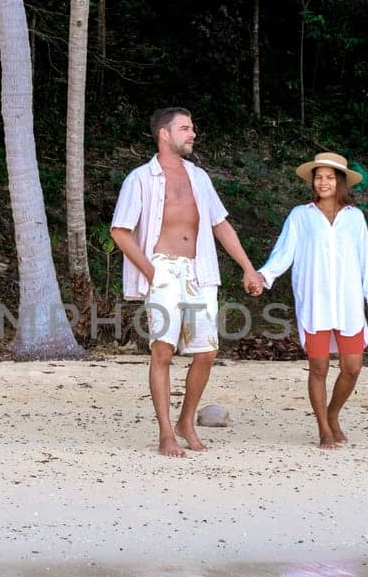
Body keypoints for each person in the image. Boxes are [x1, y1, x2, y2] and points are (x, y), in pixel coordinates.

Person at [111, 107, 264, 457]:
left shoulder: (199, 177)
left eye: (193, 128)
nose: (192, 134)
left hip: (198, 271)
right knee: (162, 350)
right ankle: (166, 432)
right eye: (185, 128)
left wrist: (248, 268)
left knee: (207, 351)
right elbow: (119, 231)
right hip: (162, 269)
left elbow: (221, 224)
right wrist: (151, 273)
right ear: (165, 134)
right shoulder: (140, 178)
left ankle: (186, 421)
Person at [252, 151, 368, 449]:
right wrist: (262, 277)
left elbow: (365, 261)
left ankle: (333, 414)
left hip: (348, 304)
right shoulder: (301, 215)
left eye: (329, 177)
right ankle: (323, 428)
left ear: (340, 182)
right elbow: (283, 253)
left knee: (352, 367)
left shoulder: (355, 218)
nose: (323, 183)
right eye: (318, 177)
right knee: (319, 368)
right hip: (315, 303)